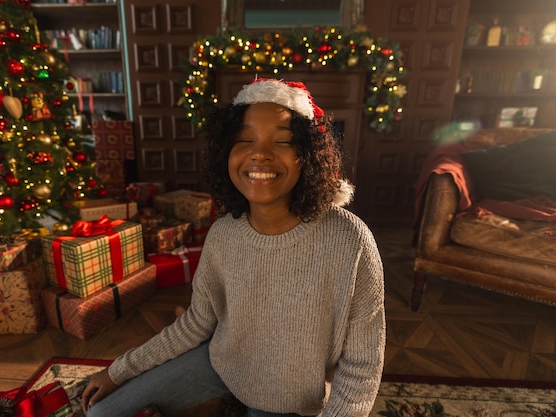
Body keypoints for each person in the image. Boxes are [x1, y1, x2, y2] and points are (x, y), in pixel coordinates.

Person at [81, 78, 386, 417]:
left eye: (283, 142)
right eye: (244, 140)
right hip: (223, 365)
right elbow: (196, 322)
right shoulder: (224, 234)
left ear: (308, 157)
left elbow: (362, 364)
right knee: (101, 413)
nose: (260, 153)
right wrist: (118, 370)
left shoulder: (350, 240)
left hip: (291, 400)